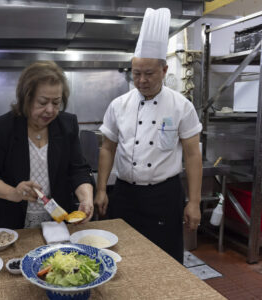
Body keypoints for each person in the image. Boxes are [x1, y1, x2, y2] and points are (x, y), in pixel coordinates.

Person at [94, 8, 202, 264]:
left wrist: (194, 202)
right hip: (125, 194)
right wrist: (101, 189)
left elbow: (193, 154)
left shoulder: (181, 106)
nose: (141, 80)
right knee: (123, 258)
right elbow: (107, 148)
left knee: (165, 261)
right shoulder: (118, 104)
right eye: (136, 73)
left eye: (149, 73)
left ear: (164, 70)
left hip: (163, 196)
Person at [0, 61, 94, 229]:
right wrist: (13, 193)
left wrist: (86, 200)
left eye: (56, 102)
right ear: (26, 99)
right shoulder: (3, 127)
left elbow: (78, 170)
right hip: (11, 225)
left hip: (57, 225)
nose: (50, 110)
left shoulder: (67, 126)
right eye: (43, 102)